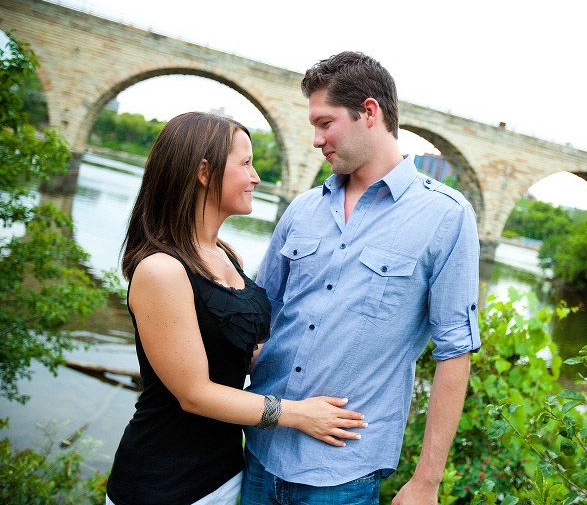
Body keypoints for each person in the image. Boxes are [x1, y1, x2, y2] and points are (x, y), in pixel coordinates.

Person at [241, 52, 481, 505]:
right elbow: (259, 316)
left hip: (342, 478)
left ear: (369, 112)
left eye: (324, 123)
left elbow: (455, 353)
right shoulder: (303, 209)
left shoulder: (447, 219)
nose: (316, 140)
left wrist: (426, 482)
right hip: (259, 452)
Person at [106, 112, 365, 505]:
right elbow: (194, 393)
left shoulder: (227, 256)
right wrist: (298, 414)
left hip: (228, 473)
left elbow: (235, 353)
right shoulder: (161, 270)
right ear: (204, 172)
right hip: (163, 484)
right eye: (245, 164)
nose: (256, 177)